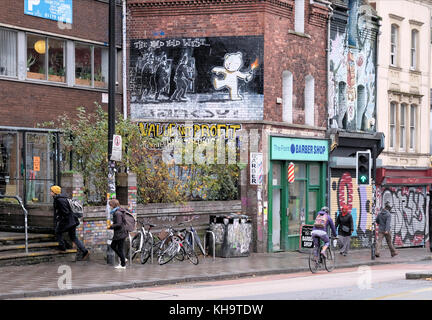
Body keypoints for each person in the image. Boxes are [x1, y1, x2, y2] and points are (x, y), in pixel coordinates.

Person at [51, 185, 90, 261]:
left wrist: (59, 218)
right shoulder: (64, 198)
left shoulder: (59, 200)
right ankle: (85, 251)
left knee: (58, 232)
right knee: (73, 237)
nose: (50, 193)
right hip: (73, 221)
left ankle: (62, 248)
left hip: (67, 221)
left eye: (51, 191)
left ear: (54, 192)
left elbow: (65, 212)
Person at [108, 199, 128, 269]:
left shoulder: (117, 213)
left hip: (120, 233)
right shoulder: (119, 211)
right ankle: (123, 258)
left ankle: (123, 265)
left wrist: (111, 226)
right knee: (113, 246)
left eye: (110, 205)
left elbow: (119, 224)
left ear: (113, 205)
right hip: (120, 233)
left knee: (119, 248)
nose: (110, 207)